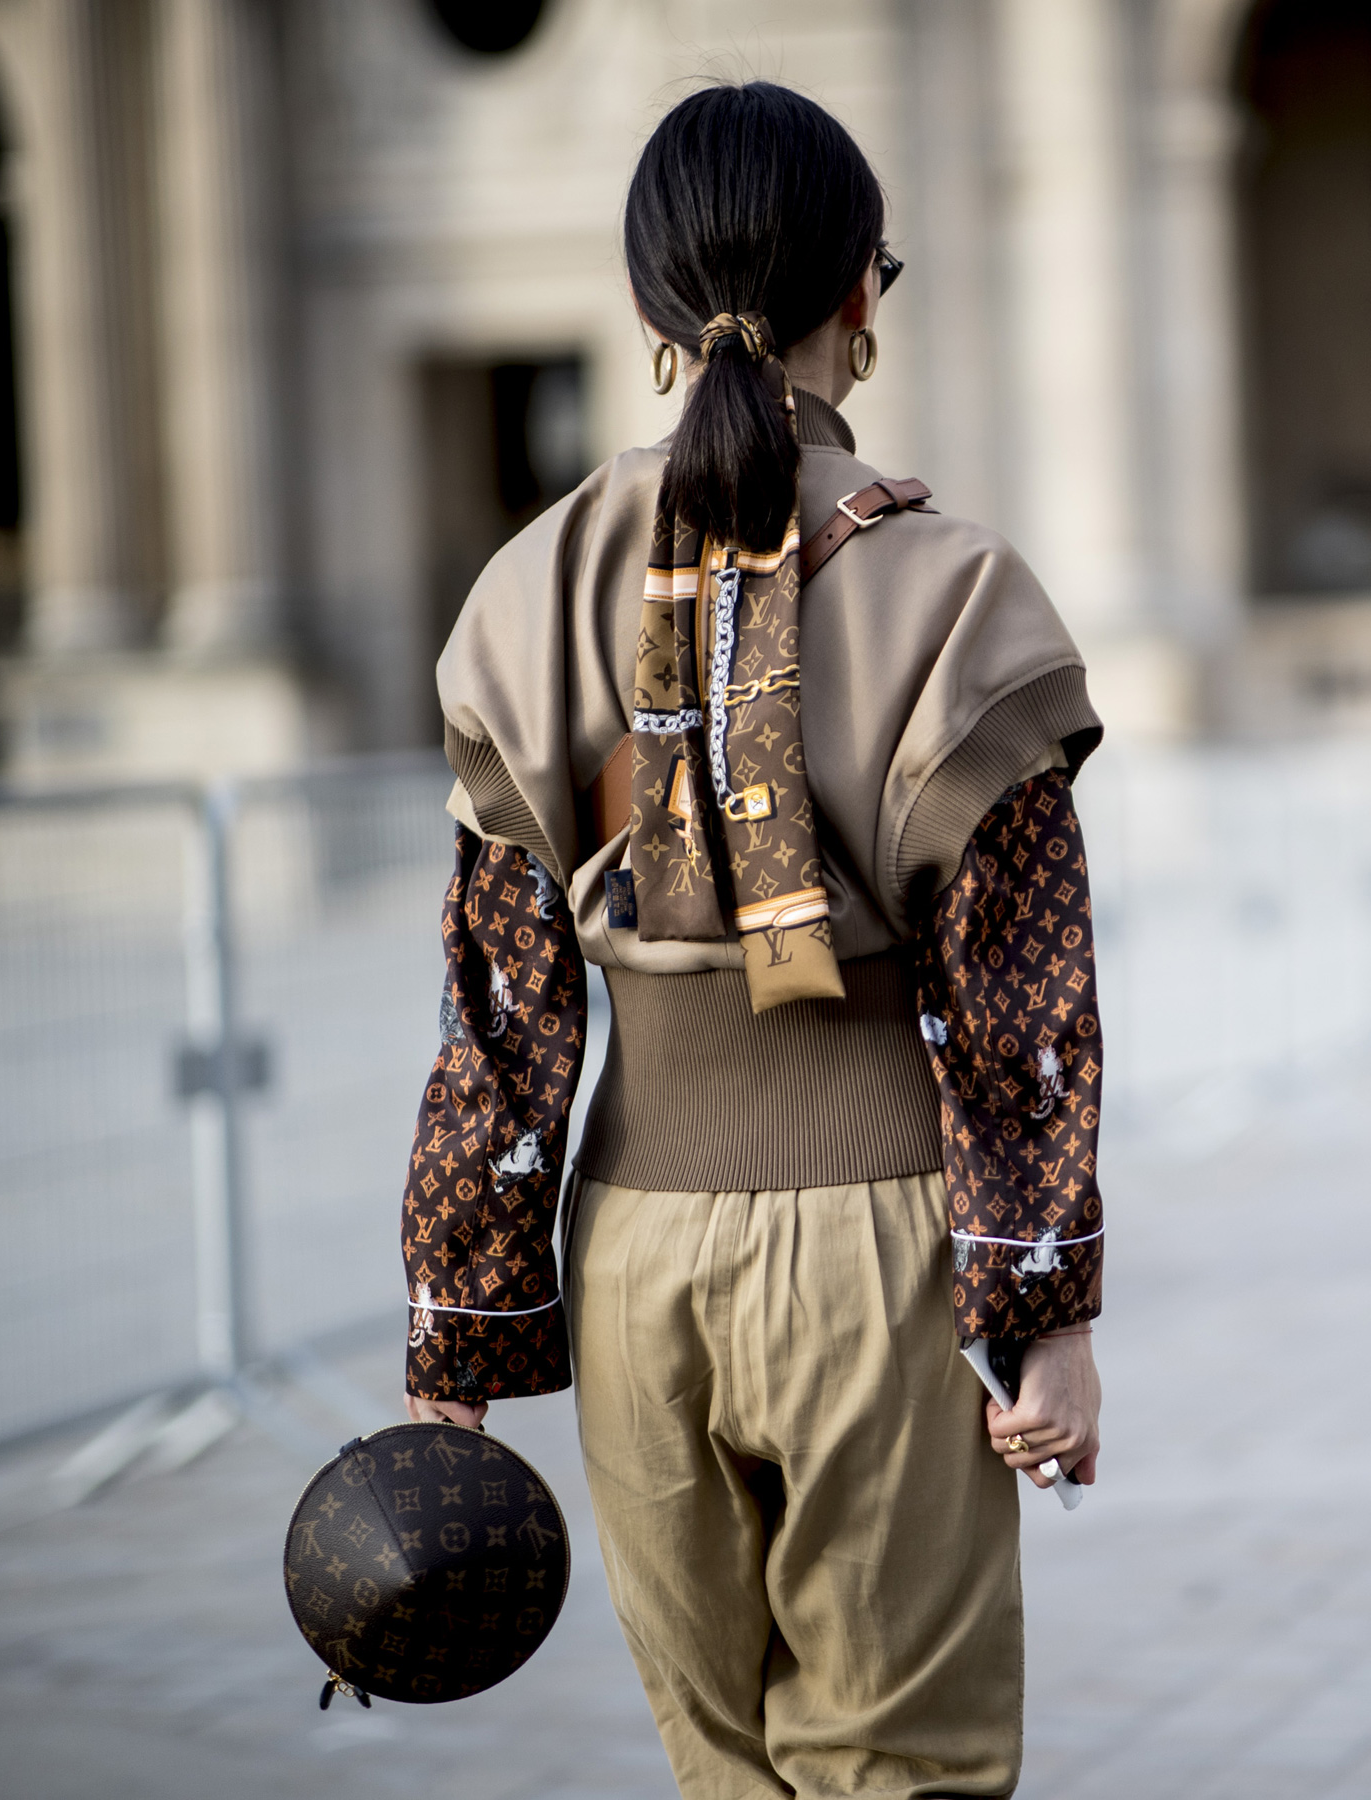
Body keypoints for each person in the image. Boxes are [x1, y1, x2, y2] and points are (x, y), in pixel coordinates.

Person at [395, 81, 1107, 1799]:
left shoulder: (523, 594)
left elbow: (502, 1009)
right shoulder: (959, 591)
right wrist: (1045, 1303)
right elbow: (1018, 1001)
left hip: (639, 1265)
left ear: (648, 311)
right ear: (862, 293)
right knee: (907, 1769)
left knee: (723, 1772)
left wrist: (458, 1343)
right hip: (886, 1264)